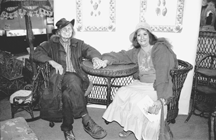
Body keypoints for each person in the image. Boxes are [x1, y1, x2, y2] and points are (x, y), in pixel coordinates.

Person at [33, 18, 107, 140]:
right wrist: (52, 62)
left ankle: (67, 129)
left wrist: (95, 58)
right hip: (58, 80)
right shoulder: (50, 44)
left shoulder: (78, 43)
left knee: (67, 95)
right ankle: (86, 119)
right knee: (71, 79)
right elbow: (36, 53)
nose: (68, 31)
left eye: (70, 29)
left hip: (77, 79)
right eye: (65, 29)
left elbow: (91, 50)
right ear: (58, 32)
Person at [101, 22, 178, 140]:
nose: (142, 38)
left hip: (155, 85)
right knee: (122, 92)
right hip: (141, 84)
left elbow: (164, 75)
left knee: (138, 100)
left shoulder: (160, 49)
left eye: (145, 34)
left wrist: (161, 100)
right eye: (138, 35)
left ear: (150, 35)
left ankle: (140, 130)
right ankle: (130, 126)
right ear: (135, 38)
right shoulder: (136, 51)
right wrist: (106, 60)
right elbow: (121, 56)